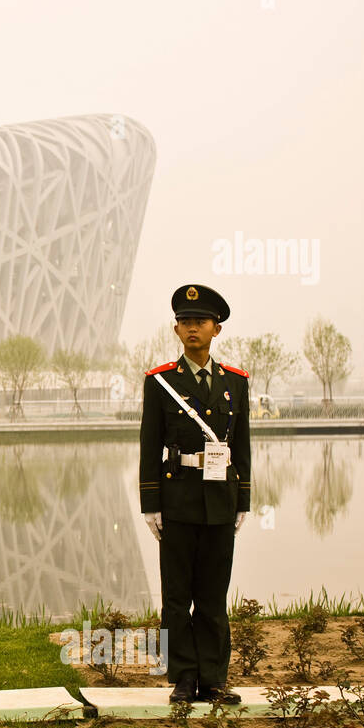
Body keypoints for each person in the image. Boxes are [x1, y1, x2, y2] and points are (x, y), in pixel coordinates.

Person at [138, 284, 251, 704]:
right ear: (176, 329)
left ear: (215, 329)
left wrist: (244, 499)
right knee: (175, 597)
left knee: (212, 597)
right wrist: (151, 504)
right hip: (178, 500)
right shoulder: (161, 381)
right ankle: (182, 679)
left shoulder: (234, 383)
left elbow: (242, 444)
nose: (192, 329)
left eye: (200, 323)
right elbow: (150, 446)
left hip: (220, 501)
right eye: (185, 323)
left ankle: (214, 680)